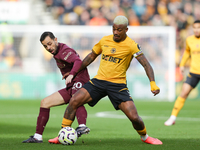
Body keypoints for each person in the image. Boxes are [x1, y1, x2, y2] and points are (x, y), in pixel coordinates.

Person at [58, 15, 163, 145]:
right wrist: (73, 73)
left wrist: (152, 83)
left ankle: (145, 137)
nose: (115, 32)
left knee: (134, 117)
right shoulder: (104, 40)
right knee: (74, 101)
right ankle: (62, 135)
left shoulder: (132, 45)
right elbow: (90, 57)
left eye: (119, 30)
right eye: (113, 29)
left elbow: (146, 65)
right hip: (99, 81)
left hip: (118, 85)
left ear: (126, 30)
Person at [22, 31, 90, 143]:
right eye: (45, 46)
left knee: (75, 99)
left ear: (56, 40)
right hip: (71, 85)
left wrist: (72, 74)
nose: (48, 47)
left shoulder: (64, 51)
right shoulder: (56, 53)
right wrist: (68, 73)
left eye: (50, 43)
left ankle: (82, 126)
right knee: (45, 102)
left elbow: (78, 61)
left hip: (80, 81)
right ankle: (37, 137)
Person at [164, 20, 200, 126]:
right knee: (183, 93)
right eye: (195, 27)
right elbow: (187, 52)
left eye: (198, 27)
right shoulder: (189, 40)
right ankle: (172, 117)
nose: (196, 30)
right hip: (194, 72)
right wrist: (182, 65)